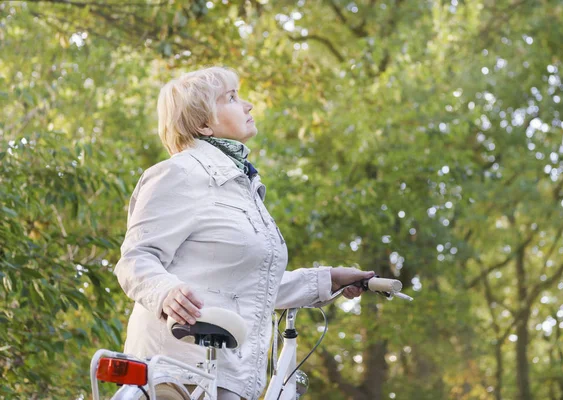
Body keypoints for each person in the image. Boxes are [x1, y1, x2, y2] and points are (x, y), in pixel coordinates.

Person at [114, 66, 374, 400]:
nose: (248, 105)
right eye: (233, 98)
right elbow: (135, 259)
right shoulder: (178, 173)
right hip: (177, 372)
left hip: (228, 377)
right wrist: (166, 293)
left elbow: (253, 284)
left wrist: (329, 280)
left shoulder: (244, 188)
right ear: (204, 123)